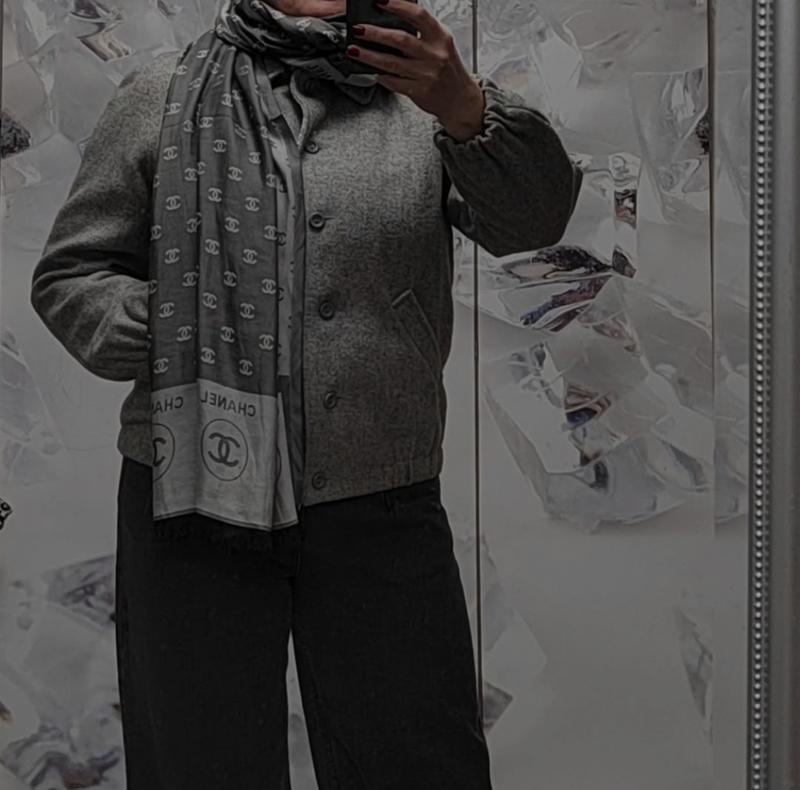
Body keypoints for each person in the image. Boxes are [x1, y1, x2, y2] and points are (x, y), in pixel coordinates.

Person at [30, 0, 582, 786]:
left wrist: (465, 106)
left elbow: (534, 221)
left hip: (381, 494)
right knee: (200, 766)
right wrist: (174, 319)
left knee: (420, 763)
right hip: (191, 495)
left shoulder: (424, 102)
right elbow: (72, 275)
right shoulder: (160, 93)